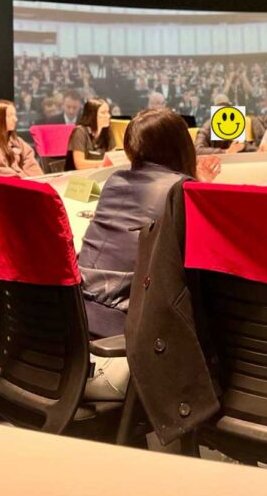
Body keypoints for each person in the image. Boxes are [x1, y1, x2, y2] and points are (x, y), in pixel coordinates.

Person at [78, 108, 222, 399]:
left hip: (77, 335)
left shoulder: (115, 181)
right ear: (181, 144)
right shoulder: (181, 190)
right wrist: (199, 187)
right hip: (125, 348)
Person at [0, 99, 43, 178]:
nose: (15, 119)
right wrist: (25, 181)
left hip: (26, 183)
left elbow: (30, 162)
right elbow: (0, 172)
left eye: (15, 115)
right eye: (10, 116)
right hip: (9, 187)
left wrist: (38, 180)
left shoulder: (16, 140)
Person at [66, 98, 116, 170]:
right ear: (92, 115)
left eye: (108, 112)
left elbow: (113, 157)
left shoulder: (107, 131)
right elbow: (79, 164)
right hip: (78, 177)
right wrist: (105, 163)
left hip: (101, 174)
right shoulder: (79, 132)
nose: (108, 116)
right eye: (103, 113)